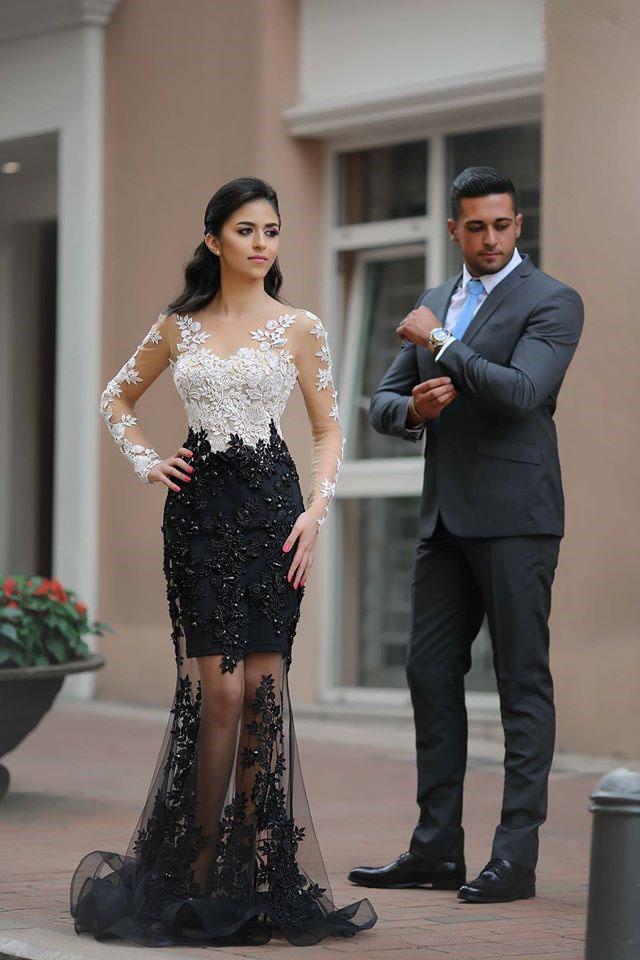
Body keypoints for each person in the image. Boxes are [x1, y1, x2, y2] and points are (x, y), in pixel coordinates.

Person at [70, 177, 377, 947]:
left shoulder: (300, 327)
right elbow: (115, 398)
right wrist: (147, 461)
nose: (261, 243)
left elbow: (329, 429)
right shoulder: (177, 327)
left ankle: (252, 877)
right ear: (214, 239)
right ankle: (195, 874)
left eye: (271, 230)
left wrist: (316, 512)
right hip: (200, 517)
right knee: (222, 694)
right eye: (245, 230)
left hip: (276, 514)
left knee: (263, 697)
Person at [348, 167, 583, 904]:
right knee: (428, 673)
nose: (489, 238)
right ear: (454, 229)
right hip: (444, 521)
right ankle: (435, 849)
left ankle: (515, 859)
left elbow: (522, 393)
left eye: (501, 225)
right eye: (475, 226)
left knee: (520, 682)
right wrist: (413, 411)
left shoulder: (552, 301)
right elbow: (382, 401)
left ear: (519, 225)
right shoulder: (433, 298)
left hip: (517, 520)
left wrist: (444, 342)